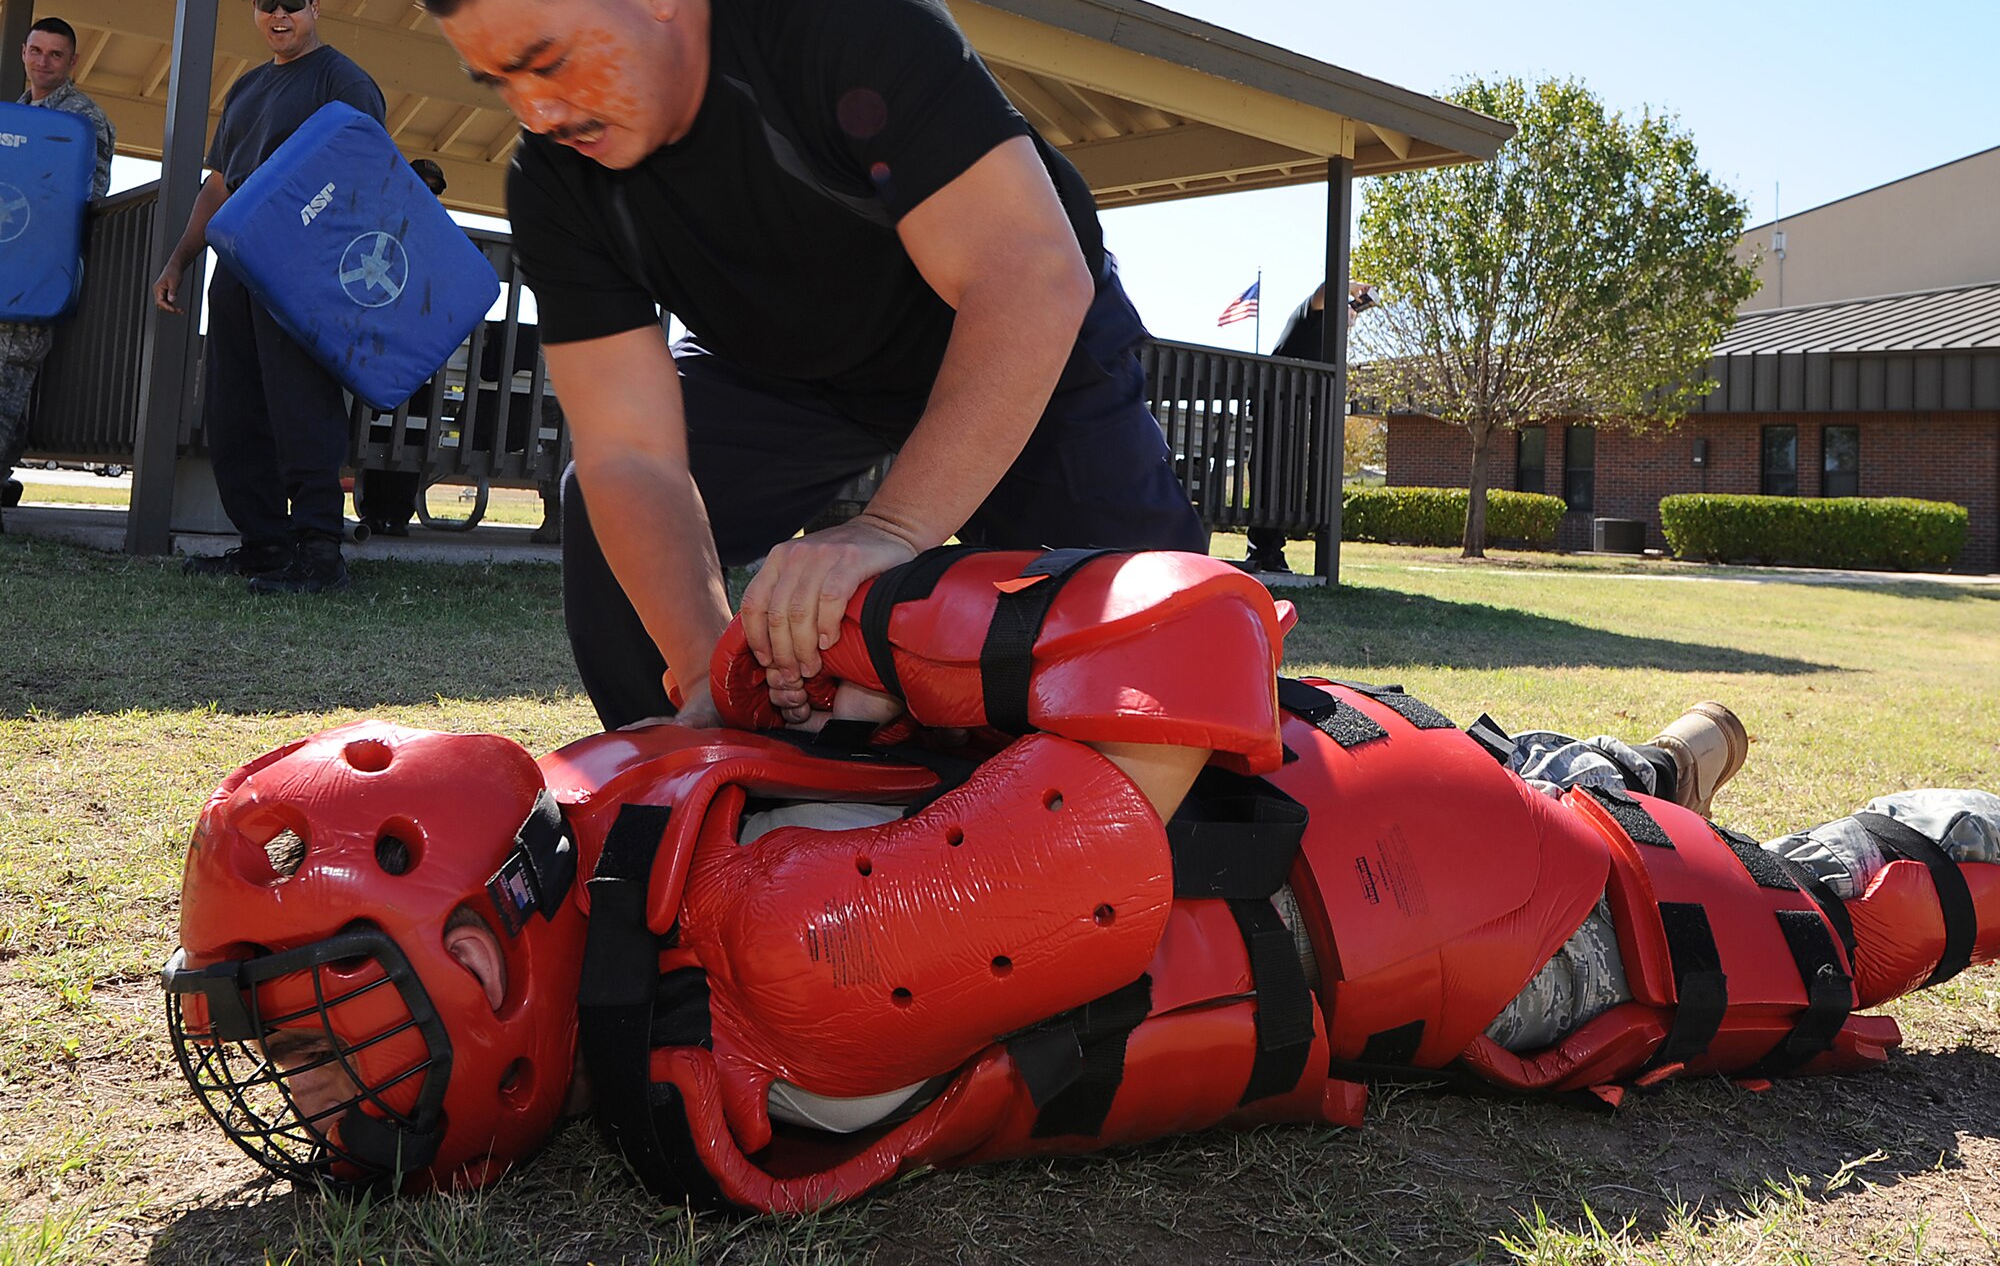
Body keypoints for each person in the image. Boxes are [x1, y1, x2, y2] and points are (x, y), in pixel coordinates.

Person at [163, 549, 2000, 1211]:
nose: (308, 1085)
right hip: (1305, 785)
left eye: (328, 1022)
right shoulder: (604, 821)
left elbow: (1189, 627)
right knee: (1613, 792)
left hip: (1432, 899)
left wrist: (882, 602)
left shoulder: (787, 958)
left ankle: (1743, 808)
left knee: (1846, 928)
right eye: (285, 1032)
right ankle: (1655, 759)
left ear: (491, 942)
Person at [411, 0, 1204, 732]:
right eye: (500, 81)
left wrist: (888, 531)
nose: (537, 112)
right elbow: (631, 455)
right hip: (783, 370)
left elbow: (1027, 278)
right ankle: (700, 813)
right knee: (603, 507)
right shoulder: (554, 179)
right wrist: (708, 673)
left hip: (1015, 335)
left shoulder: (848, 17)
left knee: (1155, 645)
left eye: (548, 62)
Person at [152, 0, 386, 595]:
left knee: (302, 405)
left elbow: (367, 175)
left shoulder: (343, 81)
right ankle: (264, 544)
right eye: (266, 4)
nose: (278, 15)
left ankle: (319, 553)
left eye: (291, 3)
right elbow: (220, 184)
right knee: (233, 410)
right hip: (237, 267)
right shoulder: (248, 88)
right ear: (254, 12)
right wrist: (180, 258)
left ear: (316, 8)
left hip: (302, 272)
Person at [0, 17, 116, 526]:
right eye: (36, 51)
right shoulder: (13, 116)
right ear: (24, 53)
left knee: (8, 387)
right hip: (6, 271)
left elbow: (87, 198)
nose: (43, 61)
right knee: (11, 400)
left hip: (34, 280)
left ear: (72, 61)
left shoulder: (82, 119)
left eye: (55, 54)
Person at [1242, 280, 1371, 575]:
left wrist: (1350, 315)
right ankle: (1263, 551)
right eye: (1347, 313)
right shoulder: (1309, 315)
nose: (1350, 318)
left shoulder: (1329, 339)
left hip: (1296, 413)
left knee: (1285, 482)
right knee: (1268, 475)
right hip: (1272, 404)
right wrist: (1349, 286)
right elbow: (1325, 292)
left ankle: (1271, 552)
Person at [350, 159, 450, 539]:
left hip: (419, 350)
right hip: (379, 347)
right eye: (422, 186)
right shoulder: (381, 223)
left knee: (414, 427)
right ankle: (374, 509)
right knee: (378, 425)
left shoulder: (441, 236)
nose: (429, 196)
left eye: (435, 190)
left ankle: (398, 513)